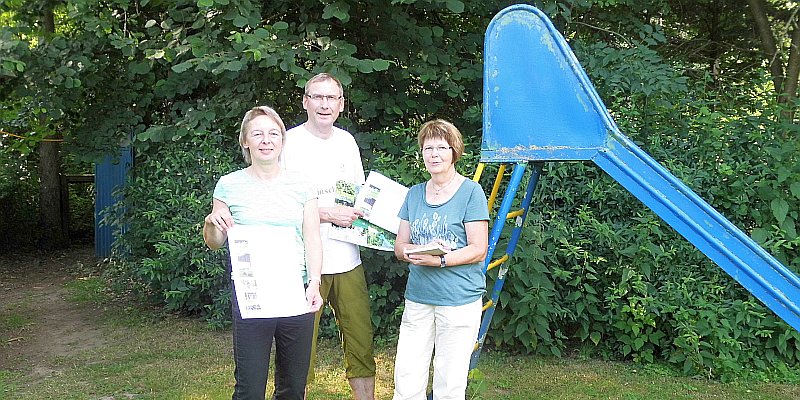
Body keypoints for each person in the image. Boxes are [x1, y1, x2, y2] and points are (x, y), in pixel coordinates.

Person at [203, 105, 324, 400]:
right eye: (257, 134)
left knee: (293, 387)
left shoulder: (302, 185)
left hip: (295, 292)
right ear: (245, 141)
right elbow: (215, 241)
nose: (266, 140)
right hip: (252, 294)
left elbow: (312, 237)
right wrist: (211, 223)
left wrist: (315, 282)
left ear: (282, 140)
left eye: (273, 133)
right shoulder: (229, 185)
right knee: (250, 388)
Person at [281, 73, 377, 400]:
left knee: (361, 341)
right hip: (304, 263)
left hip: (347, 258)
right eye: (317, 97)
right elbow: (278, 203)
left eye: (331, 98)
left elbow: (357, 197)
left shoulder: (347, 142)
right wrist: (326, 213)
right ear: (305, 101)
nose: (324, 104)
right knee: (299, 348)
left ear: (341, 104)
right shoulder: (287, 142)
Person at [392, 119, 490, 400]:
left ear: (454, 152)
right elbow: (400, 246)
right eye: (428, 148)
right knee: (407, 377)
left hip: (458, 300)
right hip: (419, 297)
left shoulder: (471, 192)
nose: (434, 154)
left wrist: (443, 260)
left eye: (441, 148)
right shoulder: (414, 194)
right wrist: (416, 251)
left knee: (450, 381)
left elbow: (478, 249)